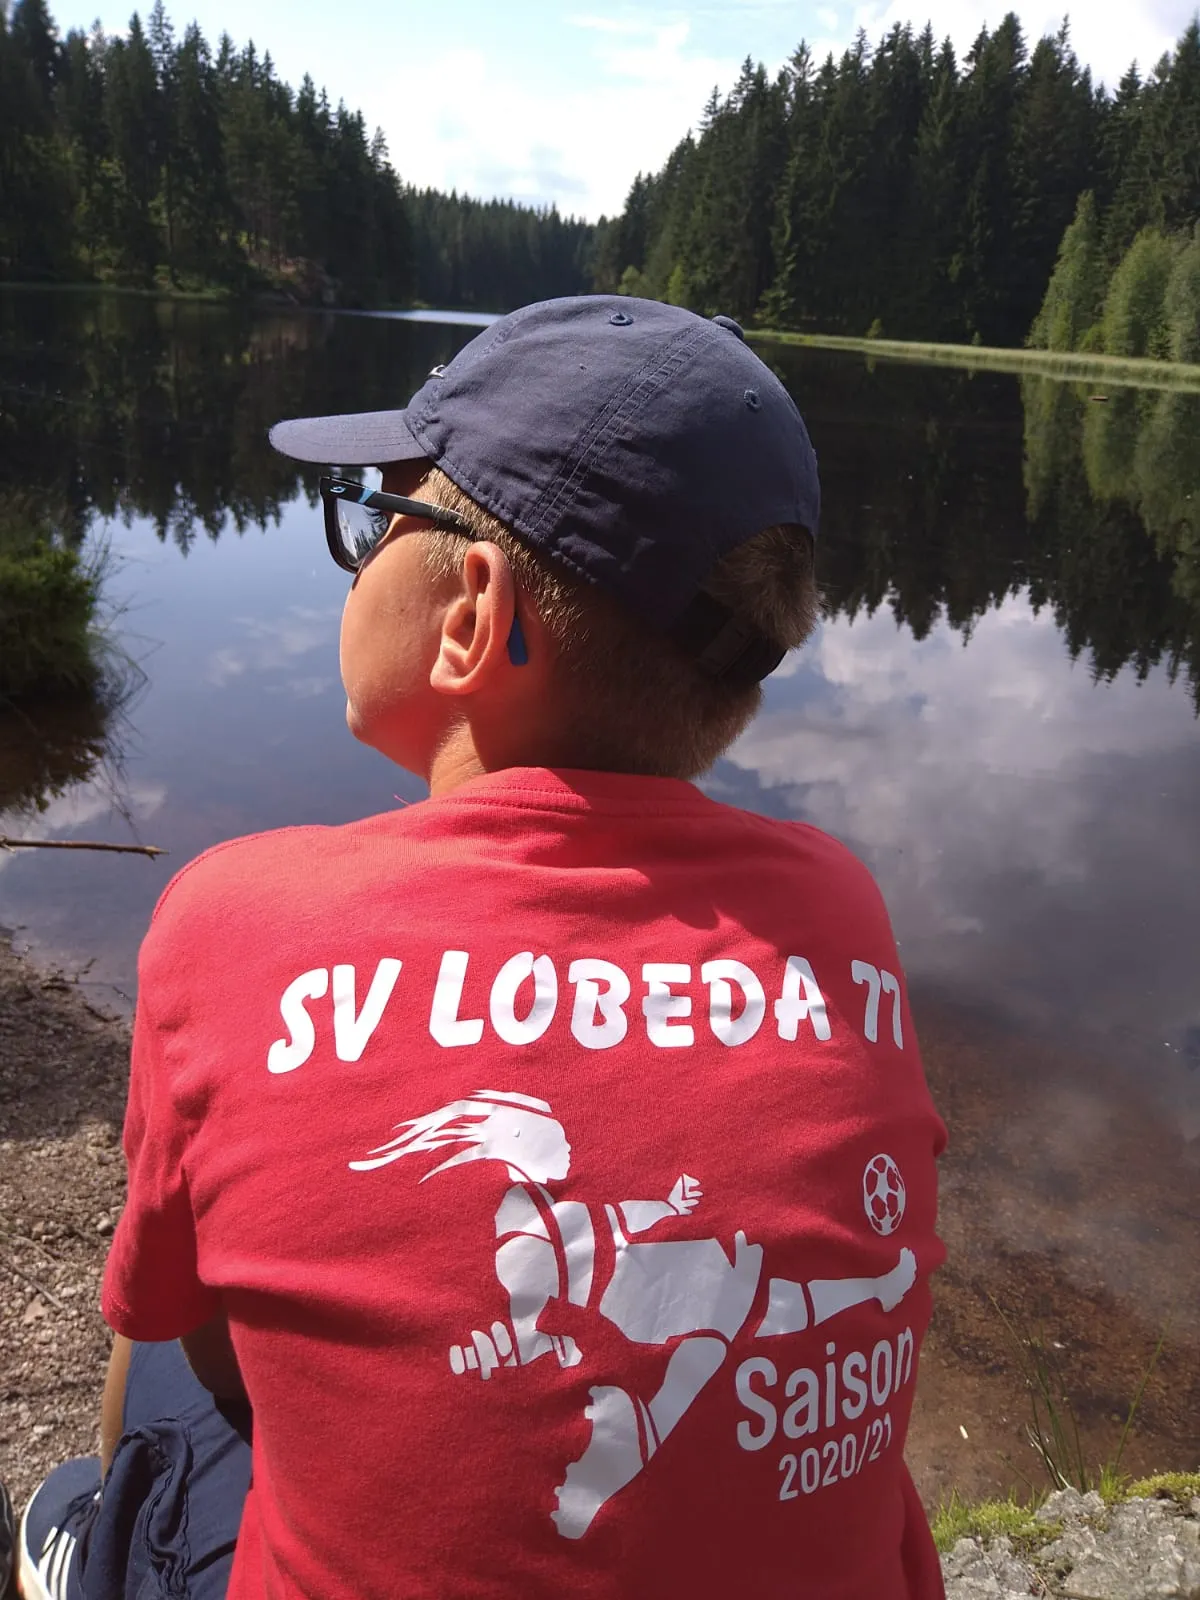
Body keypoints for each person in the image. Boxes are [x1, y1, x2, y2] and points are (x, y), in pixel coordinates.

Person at [13, 295, 947, 1600]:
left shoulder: (235, 922)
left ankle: (103, 1532)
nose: (360, 554)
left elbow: (212, 1354)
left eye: (378, 517)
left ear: (474, 615)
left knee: (166, 1328)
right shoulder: (840, 913)